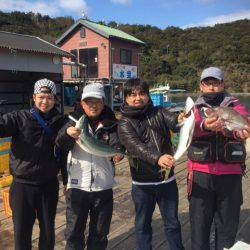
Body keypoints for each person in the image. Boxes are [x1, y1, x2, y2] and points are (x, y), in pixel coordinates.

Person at [0, 78, 68, 250]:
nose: (45, 101)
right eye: (41, 97)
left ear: (55, 99)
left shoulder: (62, 121)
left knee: (47, 229)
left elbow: (66, 153)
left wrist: (67, 181)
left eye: (49, 97)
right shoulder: (18, 117)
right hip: (22, 185)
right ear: (34, 97)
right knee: (22, 231)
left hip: (49, 184)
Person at [187, 67, 250, 250]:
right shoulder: (194, 107)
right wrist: (204, 125)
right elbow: (188, 129)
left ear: (222, 84)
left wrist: (241, 134)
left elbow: (242, 123)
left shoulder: (235, 104)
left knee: (227, 228)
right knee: (199, 228)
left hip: (230, 174)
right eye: (208, 83)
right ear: (201, 85)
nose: (212, 87)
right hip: (200, 173)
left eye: (216, 83)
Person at [118, 78, 185, 250]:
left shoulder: (160, 112)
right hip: (142, 184)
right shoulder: (124, 122)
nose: (138, 98)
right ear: (125, 97)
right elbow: (135, 146)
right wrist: (158, 158)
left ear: (148, 96)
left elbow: (176, 123)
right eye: (132, 95)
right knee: (142, 226)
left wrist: (181, 117)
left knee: (172, 223)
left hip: (166, 181)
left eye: (142, 94)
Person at [56, 83, 124, 250]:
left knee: (100, 233)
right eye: (88, 101)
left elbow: (118, 144)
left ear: (103, 101)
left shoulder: (112, 123)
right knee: (74, 233)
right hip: (77, 186)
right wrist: (67, 134)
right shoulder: (72, 121)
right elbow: (60, 144)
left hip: (103, 185)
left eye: (97, 101)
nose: (93, 105)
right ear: (82, 103)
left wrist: (119, 152)